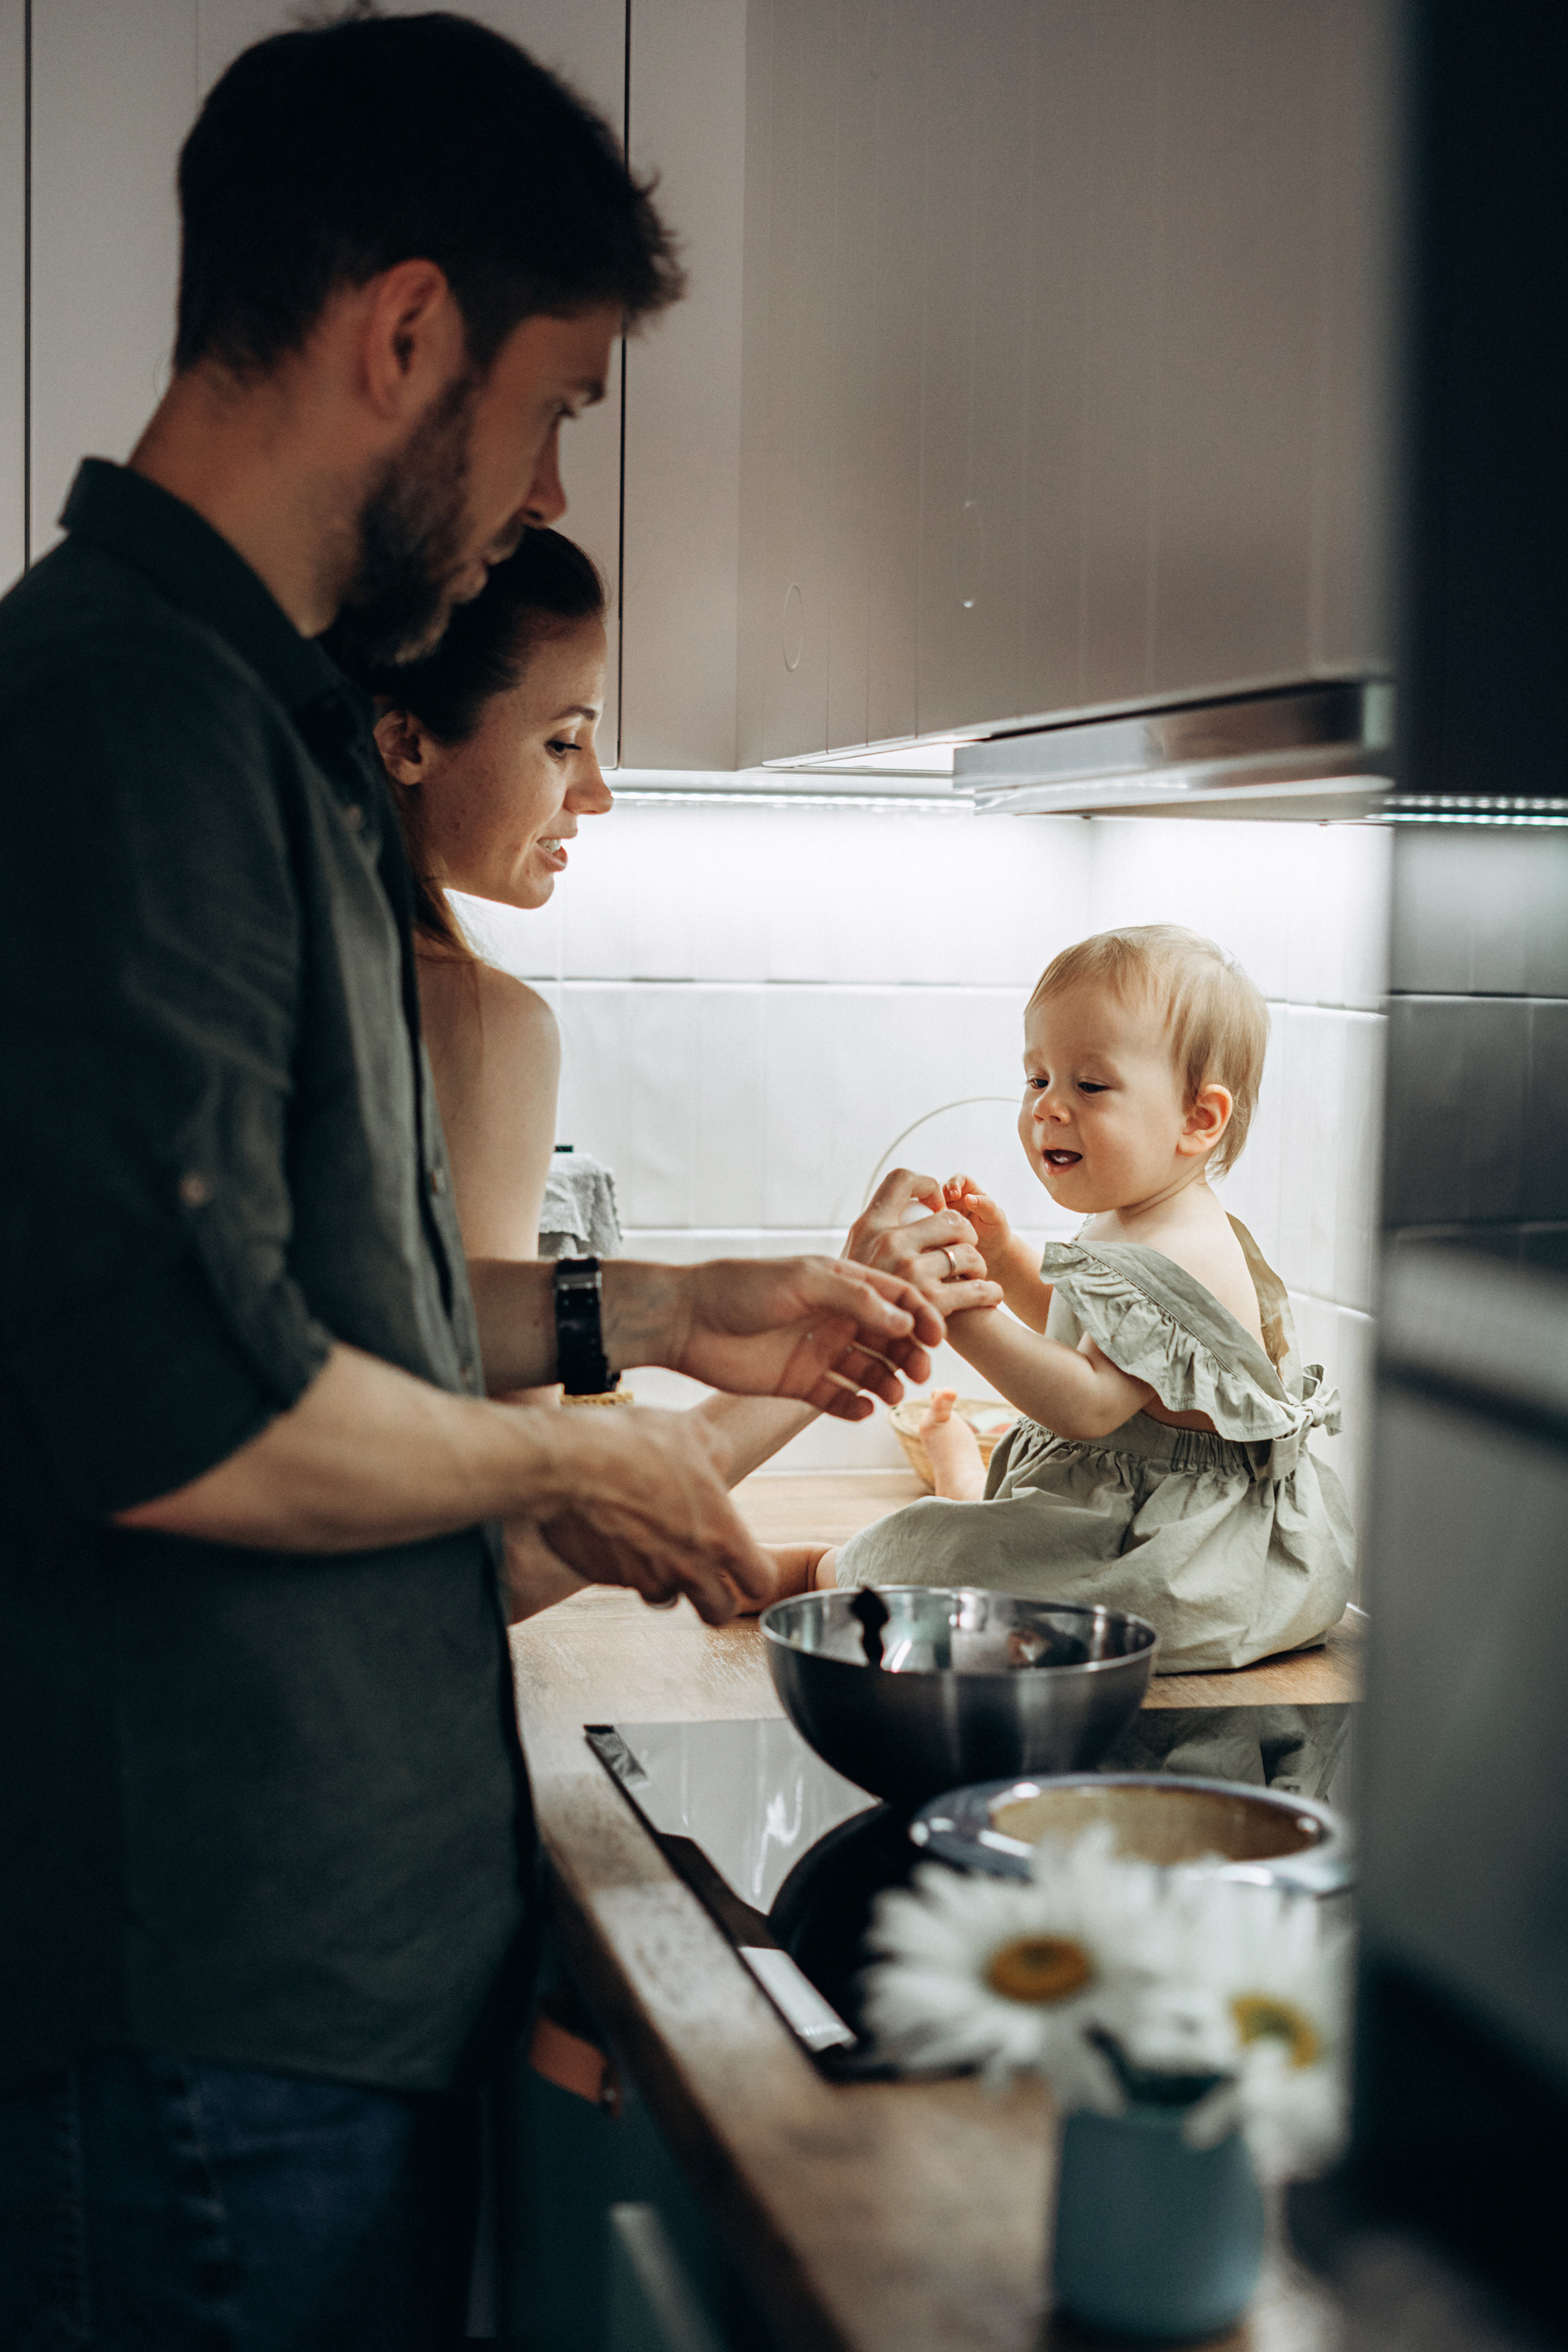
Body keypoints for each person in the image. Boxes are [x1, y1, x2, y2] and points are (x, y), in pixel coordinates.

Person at [0, 17, 945, 2346]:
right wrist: (571, 1460)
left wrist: (672, 1311)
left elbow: (316, 1300)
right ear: (404, 330)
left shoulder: (272, 718)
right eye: (548, 408)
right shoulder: (128, 722)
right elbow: (184, 1408)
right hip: (204, 2006)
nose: (537, 492)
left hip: (297, 1981)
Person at [339, 526, 847, 1611]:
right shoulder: (476, 1023)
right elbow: (503, 1558)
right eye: (563, 742)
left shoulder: (273, 966)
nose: (598, 792)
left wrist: (690, 1318)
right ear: (406, 740)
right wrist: (821, 1359)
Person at [764, 925, 1355, 1679]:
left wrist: (960, 1310)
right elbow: (1081, 1329)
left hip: (1179, 1550)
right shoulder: (1132, 1213)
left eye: (1090, 1086)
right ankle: (959, 1479)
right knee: (993, 1545)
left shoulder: (1183, 1247)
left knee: (963, 1571)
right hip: (1116, 1496)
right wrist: (1004, 1259)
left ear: (1198, 1119)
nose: (1047, 1107)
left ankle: (818, 1569)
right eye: (1037, 1078)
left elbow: (1087, 1402)